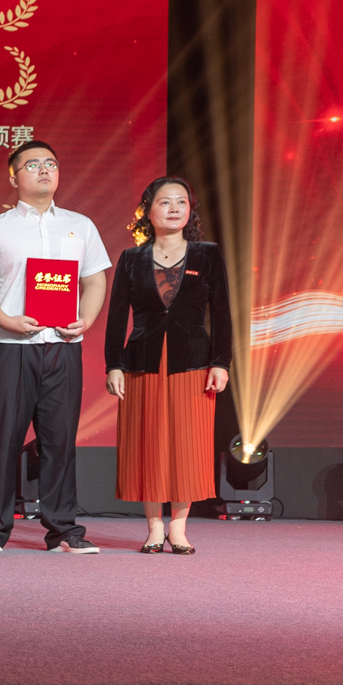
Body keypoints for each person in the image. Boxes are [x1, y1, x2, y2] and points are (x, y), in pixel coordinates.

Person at [0, 140, 112, 554]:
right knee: (3, 439)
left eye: (51, 163)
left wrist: (86, 319)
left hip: (63, 346)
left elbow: (94, 280)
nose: (44, 170)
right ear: (13, 178)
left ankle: (63, 529)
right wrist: (6, 320)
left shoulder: (81, 226)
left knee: (59, 440)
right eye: (32, 165)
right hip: (13, 347)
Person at [105, 177, 231, 555]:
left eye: (181, 202)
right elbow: (117, 317)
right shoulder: (132, 259)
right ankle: (154, 526)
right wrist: (113, 364)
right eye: (165, 202)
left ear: (190, 210)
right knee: (148, 443)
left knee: (187, 445)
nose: (174, 208)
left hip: (192, 362)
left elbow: (222, 313)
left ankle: (178, 526)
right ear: (148, 211)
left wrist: (221, 362)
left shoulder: (207, 255)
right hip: (142, 362)